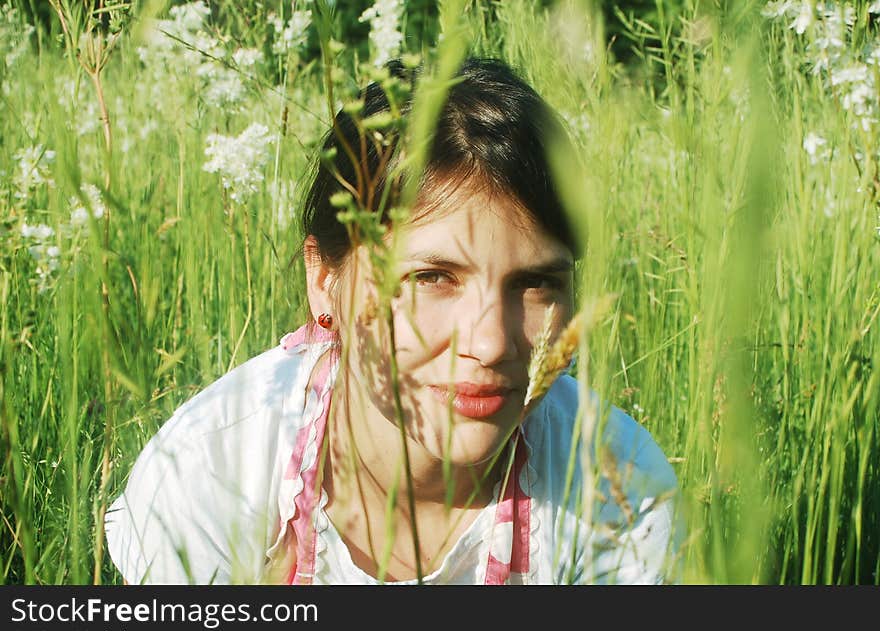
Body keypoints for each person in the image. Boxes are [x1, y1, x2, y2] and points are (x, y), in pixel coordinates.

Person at [105, 56, 682, 585]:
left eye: (535, 283)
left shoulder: (618, 489)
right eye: (433, 278)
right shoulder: (214, 471)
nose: (489, 342)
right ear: (324, 279)